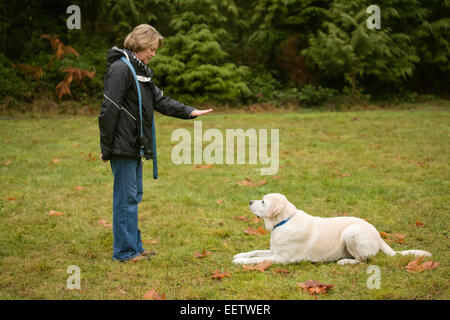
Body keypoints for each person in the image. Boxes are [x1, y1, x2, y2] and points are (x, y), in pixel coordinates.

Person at [98, 24, 212, 262]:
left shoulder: (139, 71)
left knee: (133, 196)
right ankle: (125, 252)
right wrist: (107, 148)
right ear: (139, 45)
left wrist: (190, 112)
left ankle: (134, 248)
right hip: (122, 146)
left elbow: (160, 100)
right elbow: (109, 109)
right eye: (151, 48)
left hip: (133, 145)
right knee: (126, 198)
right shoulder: (121, 69)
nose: (153, 54)